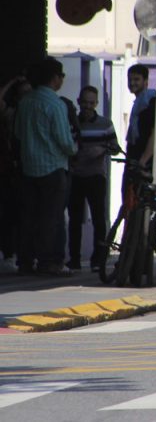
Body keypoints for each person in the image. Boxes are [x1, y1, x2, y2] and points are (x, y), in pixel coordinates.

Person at [13, 57, 77, 276]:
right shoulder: (55, 104)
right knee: (53, 217)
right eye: (61, 76)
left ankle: (25, 261)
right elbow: (64, 140)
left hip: (28, 167)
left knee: (28, 216)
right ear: (55, 78)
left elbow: (18, 134)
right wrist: (74, 150)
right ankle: (50, 261)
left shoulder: (25, 102)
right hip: (53, 167)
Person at [68, 86, 119, 272]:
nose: (88, 106)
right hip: (76, 176)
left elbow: (115, 147)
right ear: (79, 102)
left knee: (99, 218)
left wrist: (102, 150)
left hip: (97, 176)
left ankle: (98, 259)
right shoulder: (72, 123)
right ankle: (74, 259)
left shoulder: (105, 124)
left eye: (92, 103)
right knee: (75, 219)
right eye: (85, 102)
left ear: (96, 104)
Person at [0, 75, 30, 273]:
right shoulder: (12, 113)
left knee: (27, 214)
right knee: (10, 213)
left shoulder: (36, 111)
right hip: (14, 167)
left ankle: (24, 255)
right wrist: (12, 82)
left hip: (30, 166)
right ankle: (11, 253)